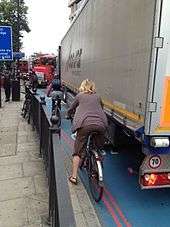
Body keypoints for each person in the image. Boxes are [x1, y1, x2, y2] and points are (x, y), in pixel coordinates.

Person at [67, 79, 108, 184]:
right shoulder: (98, 97)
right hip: (101, 125)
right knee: (98, 147)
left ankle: (74, 177)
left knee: (77, 151)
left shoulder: (80, 96)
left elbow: (72, 108)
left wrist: (69, 114)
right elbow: (101, 108)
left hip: (84, 125)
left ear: (83, 86)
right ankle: (97, 163)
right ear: (92, 87)